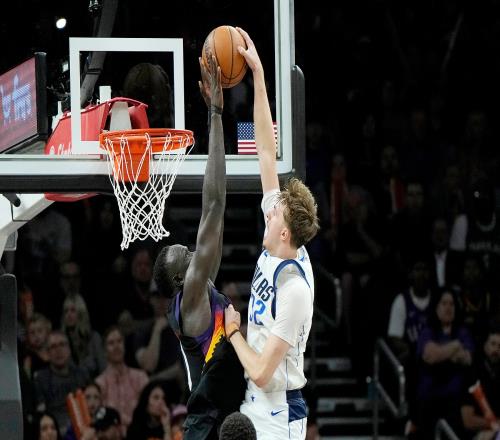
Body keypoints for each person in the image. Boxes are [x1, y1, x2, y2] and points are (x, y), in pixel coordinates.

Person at [223, 28, 319, 440]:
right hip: (255, 400)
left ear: (284, 232)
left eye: (274, 211)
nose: (268, 209)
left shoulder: (295, 288)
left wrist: (232, 331)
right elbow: (265, 150)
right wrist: (259, 77)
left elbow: (263, 372)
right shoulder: (281, 237)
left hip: (279, 412)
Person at [153, 53, 246, 439]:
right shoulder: (189, 298)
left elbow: (218, 209)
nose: (196, 253)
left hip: (224, 420)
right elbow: (213, 205)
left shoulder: (203, 290)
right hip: (205, 427)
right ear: (180, 279)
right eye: (187, 256)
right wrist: (215, 114)